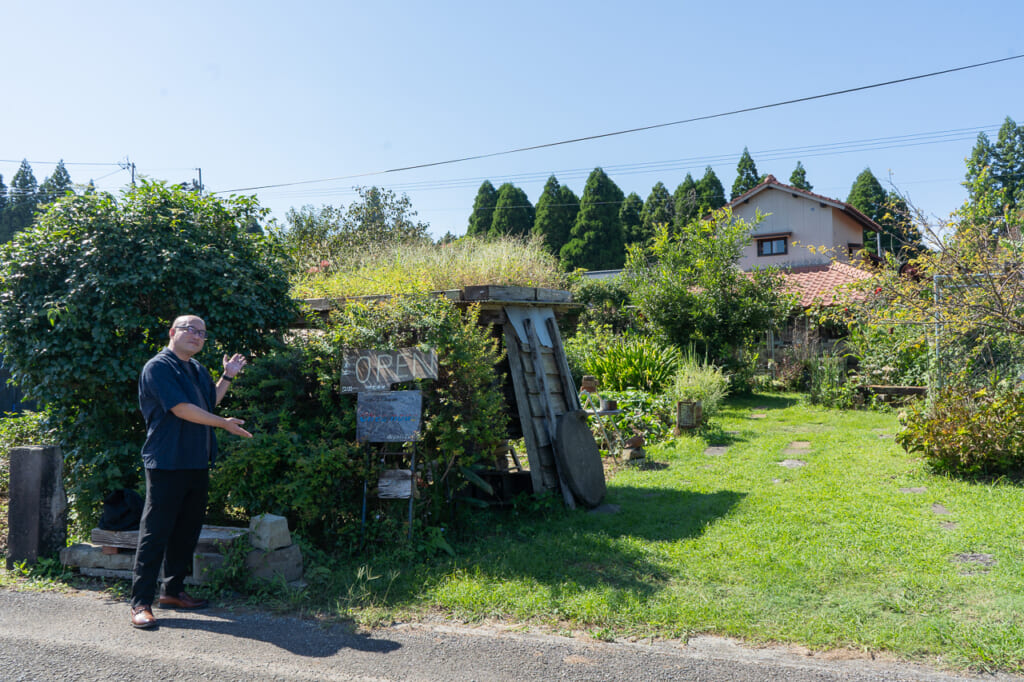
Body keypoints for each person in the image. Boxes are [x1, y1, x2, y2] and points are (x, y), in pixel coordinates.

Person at [130, 315, 253, 629]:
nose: (197, 336)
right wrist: (223, 424)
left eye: (202, 333)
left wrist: (227, 376)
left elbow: (208, 404)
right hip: (166, 461)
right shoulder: (158, 367)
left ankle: (172, 592)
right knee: (155, 533)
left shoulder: (197, 369)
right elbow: (181, 409)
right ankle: (141, 603)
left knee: (187, 531)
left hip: (196, 461)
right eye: (190, 330)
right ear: (173, 332)